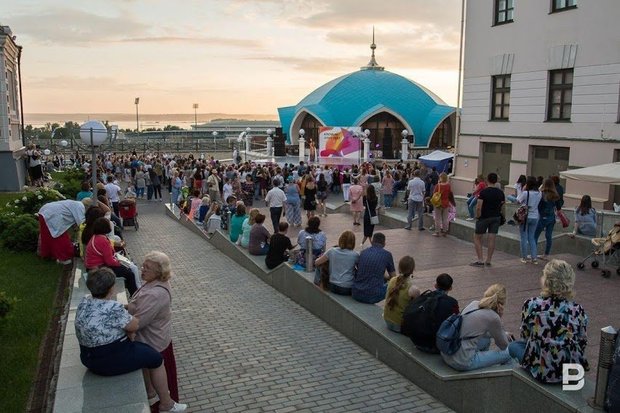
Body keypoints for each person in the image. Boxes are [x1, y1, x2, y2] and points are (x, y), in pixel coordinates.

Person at [75, 268, 187, 412]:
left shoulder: (84, 303)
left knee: (141, 349)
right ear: (111, 288)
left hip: (88, 359)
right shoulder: (113, 307)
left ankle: (151, 391)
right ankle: (166, 403)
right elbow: (134, 325)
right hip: (109, 361)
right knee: (155, 358)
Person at [508, 259, 589, 383]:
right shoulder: (578, 309)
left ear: (547, 281)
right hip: (568, 369)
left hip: (541, 371)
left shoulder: (532, 304)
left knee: (513, 346)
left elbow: (525, 336)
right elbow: (582, 340)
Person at [128, 251, 182, 408]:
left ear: (159, 272)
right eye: (143, 266)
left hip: (153, 343)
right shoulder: (153, 283)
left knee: (157, 381)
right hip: (158, 340)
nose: (142, 270)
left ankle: (163, 405)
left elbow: (138, 323)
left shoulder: (155, 294)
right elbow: (137, 305)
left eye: (147, 268)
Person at [440, 284, 513, 371]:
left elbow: (474, 330)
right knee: (510, 352)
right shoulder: (494, 317)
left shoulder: (474, 304)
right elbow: (503, 345)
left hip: (448, 353)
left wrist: (503, 334)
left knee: (486, 340)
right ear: (502, 304)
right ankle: (503, 377)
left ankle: (481, 367)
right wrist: (499, 319)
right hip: (462, 362)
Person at [401, 273, 460, 353]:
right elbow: (457, 322)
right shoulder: (452, 303)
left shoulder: (425, 297)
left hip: (416, 341)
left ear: (435, 285)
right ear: (450, 288)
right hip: (434, 346)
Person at [84, 217, 139, 295]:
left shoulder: (95, 237)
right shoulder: (103, 240)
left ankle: (131, 289)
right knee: (130, 274)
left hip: (93, 267)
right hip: (99, 268)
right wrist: (120, 263)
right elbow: (110, 261)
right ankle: (134, 295)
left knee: (127, 272)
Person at [471, 173, 505, 267]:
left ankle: (480, 260)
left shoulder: (484, 192)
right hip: (496, 217)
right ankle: (489, 260)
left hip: (484, 217)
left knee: (477, 237)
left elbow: (479, 207)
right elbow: (503, 206)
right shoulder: (500, 193)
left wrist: (478, 216)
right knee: (492, 238)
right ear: (496, 181)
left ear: (487, 180)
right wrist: (503, 216)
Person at [38, 199, 86, 265]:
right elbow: (82, 224)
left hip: (44, 211)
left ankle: (48, 255)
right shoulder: (80, 207)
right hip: (53, 215)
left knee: (47, 236)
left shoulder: (75, 204)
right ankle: (64, 258)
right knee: (60, 238)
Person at [352, 233, 396, 304]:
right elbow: (393, 277)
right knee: (395, 284)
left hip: (356, 292)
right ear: (384, 244)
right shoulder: (387, 255)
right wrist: (386, 278)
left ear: (372, 242)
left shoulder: (363, 252)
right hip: (373, 296)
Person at [383, 256, 420, 333]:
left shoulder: (392, 280)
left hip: (387, 320)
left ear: (399, 268)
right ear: (412, 270)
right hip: (399, 325)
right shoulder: (414, 289)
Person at [517, 176, 542, 264]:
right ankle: (534, 258)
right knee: (532, 237)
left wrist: (523, 189)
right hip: (535, 216)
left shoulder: (525, 193)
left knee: (523, 237)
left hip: (525, 216)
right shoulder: (539, 193)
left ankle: (524, 257)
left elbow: (518, 200)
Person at [534, 178, 561, 260]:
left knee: (535, 236)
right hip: (551, 218)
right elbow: (559, 208)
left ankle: (533, 254)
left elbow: (538, 206)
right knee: (548, 236)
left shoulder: (542, 194)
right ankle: (546, 254)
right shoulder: (555, 195)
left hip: (542, 217)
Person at [432, 172, 453, 236]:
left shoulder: (438, 185)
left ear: (440, 178)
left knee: (437, 218)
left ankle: (437, 232)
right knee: (445, 219)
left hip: (438, 203)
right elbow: (450, 194)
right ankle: (444, 232)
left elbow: (434, 194)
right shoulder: (448, 185)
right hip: (446, 203)